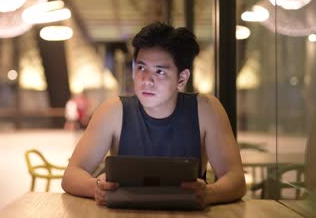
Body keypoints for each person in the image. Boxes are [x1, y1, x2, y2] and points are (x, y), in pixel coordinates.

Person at [61, 22, 246, 208]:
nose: (146, 80)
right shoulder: (113, 111)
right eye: (141, 68)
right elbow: (71, 175)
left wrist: (209, 193)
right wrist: (96, 187)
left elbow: (236, 179)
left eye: (159, 71)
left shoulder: (206, 109)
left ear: (181, 79)